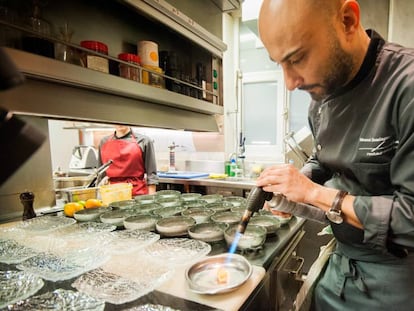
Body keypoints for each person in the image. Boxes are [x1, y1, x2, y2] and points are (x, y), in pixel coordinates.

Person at [256, 0, 414, 310]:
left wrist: (315, 194)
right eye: (280, 65)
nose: (290, 82)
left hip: (397, 281)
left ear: (347, 20)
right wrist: (298, 182)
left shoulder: (406, 87)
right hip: (341, 265)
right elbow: (323, 160)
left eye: (297, 58)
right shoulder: (321, 99)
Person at [98, 125, 158, 195]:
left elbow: (151, 174)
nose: (119, 123)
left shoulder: (144, 141)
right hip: (111, 193)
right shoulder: (104, 141)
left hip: (136, 193)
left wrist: (151, 198)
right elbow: (101, 174)